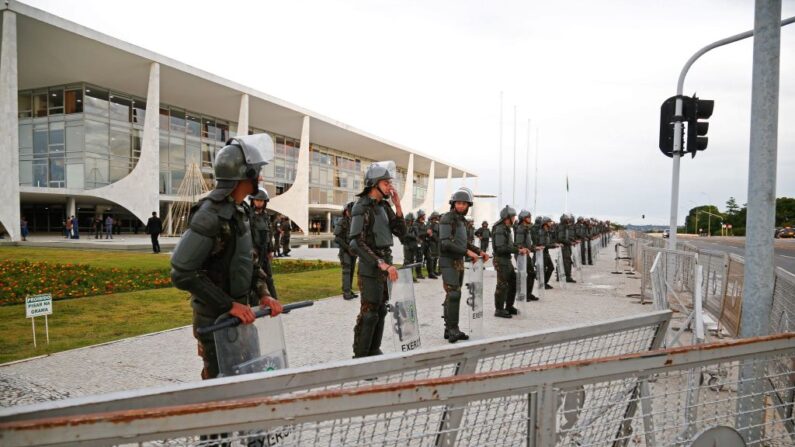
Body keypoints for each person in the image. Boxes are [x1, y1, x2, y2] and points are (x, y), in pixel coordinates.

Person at [171, 133, 282, 381]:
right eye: (257, 171)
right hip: (216, 322)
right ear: (246, 175)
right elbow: (181, 272)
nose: (261, 176)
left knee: (248, 373)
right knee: (221, 386)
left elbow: (249, 262)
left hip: (242, 314)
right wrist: (229, 305)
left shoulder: (240, 210)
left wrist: (264, 294)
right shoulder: (209, 214)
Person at [348, 160, 406, 358]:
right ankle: (361, 355)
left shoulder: (384, 206)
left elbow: (401, 231)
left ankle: (374, 350)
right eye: (386, 183)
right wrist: (380, 263)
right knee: (370, 312)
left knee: (381, 310)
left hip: (385, 263)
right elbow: (356, 242)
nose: (390, 186)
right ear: (374, 183)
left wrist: (398, 206)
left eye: (390, 183)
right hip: (371, 266)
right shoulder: (361, 207)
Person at [439, 188, 489, 342]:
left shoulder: (461, 221)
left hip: (458, 262)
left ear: (468, 206)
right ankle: (453, 329)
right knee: (454, 294)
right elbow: (446, 243)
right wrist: (467, 253)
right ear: (453, 204)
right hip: (448, 261)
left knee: (453, 295)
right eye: (458, 203)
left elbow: (463, 242)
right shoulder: (447, 218)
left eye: (464, 204)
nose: (461, 206)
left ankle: (449, 328)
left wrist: (479, 251)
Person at [249, 188, 278, 299]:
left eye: (261, 200)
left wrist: (270, 250)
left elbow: (269, 235)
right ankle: (254, 302)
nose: (259, 202)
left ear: (265, 202)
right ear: (252, 201)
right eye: (256, 200)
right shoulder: (248, 215)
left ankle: (275, 301)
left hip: (264, 250)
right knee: (254, 276)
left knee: (269, 277)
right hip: (254, 251)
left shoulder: (266, 216)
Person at [492, 206, 518, 318]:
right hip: (501, 259)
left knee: (513, 282)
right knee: (502, 285)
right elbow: (500, 248)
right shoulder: (500, 229)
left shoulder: (506, 228)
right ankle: (499, 309)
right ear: (507, 217)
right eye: (513, 216)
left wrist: (519, 247)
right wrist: (516, 250)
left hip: (506, 259)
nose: (514, 219)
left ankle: (509, 306)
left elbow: (509, 245)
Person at [335, 201, 358, 300]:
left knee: (352, 271)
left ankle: (349, 290)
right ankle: (346, 292)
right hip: (345, 251)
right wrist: (347, 248)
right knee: (347, 271)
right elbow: (337, 238)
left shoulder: (355, 222)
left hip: (353, 251)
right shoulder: (342, 221)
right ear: (346, 211)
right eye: (350, 211)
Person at [514, 209, 539, 301]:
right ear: (524, 218)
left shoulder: (526, 228)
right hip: (521, 255)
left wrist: (533, 248)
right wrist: (524, 249)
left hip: (526, 254)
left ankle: (528, 293)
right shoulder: (521, 228)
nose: (530, 218)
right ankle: (522, 294)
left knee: (531, 274)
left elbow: (527, 243)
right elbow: (519, 243)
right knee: (523, 275)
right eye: (528, 217)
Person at [557, 214, 577, 283]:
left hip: (567, 246)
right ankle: (567, 276)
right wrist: (570, 243)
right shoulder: (561, 227)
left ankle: (560, 276)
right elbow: (561, 238)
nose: (569, 221)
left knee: (565, 261)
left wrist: (572, 241)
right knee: (566, 261)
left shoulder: (565, 227)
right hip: (564, 247)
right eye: (567, 220)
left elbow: (567, 237)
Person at [425, 211, 441, 279]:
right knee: (431, 258)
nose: (437, 218)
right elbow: (428, 233)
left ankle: (434, 271)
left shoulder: (437, 224)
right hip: (431, 242)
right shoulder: (429, 224)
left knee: (436, 257)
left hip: (436, 242)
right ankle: (431, 272)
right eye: (436, 216)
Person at [414, 210, 427, 279]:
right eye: (423, 215)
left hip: (423, 243)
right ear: (420, 216)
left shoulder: (423, 224)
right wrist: (426, 232)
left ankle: (419, 273)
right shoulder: (416, 224)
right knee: (418, 258)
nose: (425, 216)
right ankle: (418, 274)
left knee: (421, 258)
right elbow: (418, 234)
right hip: (418, 243)